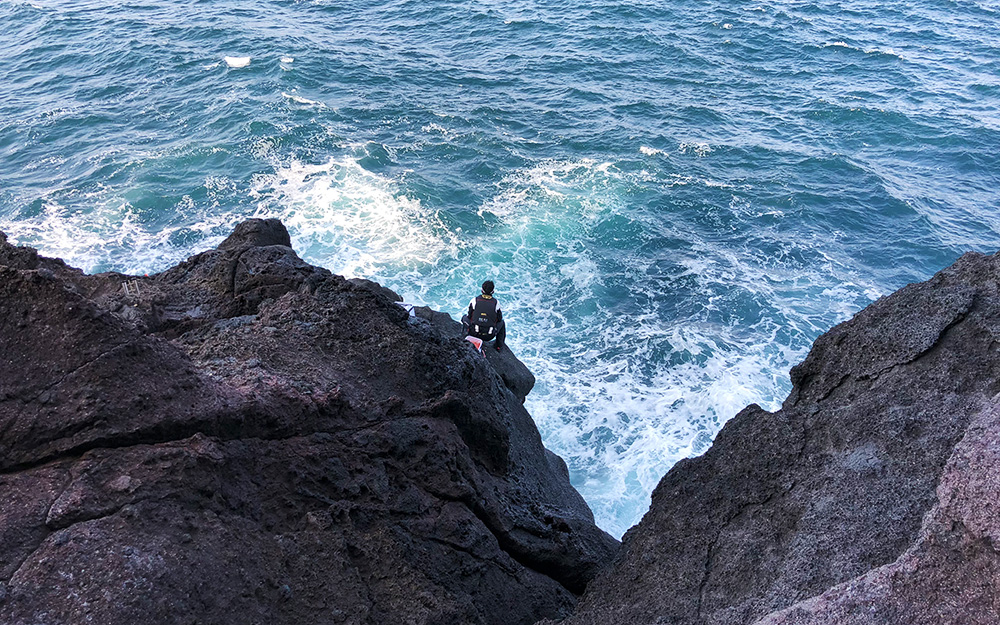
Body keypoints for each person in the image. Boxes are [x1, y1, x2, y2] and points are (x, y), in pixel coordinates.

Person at [462, 280, 506, 352]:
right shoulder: (496, 303)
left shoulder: (475, 300)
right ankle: (499, 346)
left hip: (474, 333)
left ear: (482, 290)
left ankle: (464, 338)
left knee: (464, 318)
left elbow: (469, 316)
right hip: (489, 336)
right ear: (493, 291)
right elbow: (499, 319)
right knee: (502, 323)